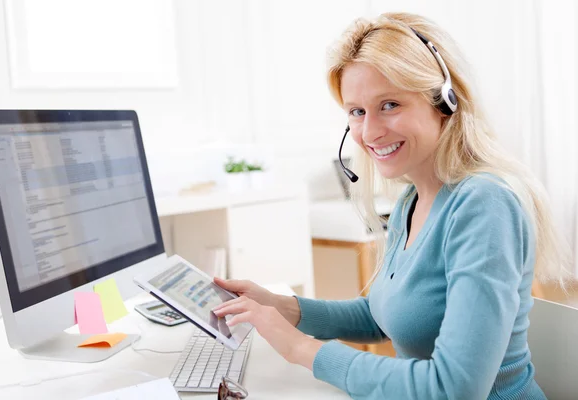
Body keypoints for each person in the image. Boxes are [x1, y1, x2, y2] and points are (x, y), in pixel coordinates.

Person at [212, 12, 571, 399]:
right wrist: (285, 308)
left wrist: (300, 348)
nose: (369, 132)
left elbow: (456, 388)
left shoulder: (484, 205)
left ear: (444, 102)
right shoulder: (410, 202)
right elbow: (387, 315)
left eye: (390, 105)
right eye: (357, 112)